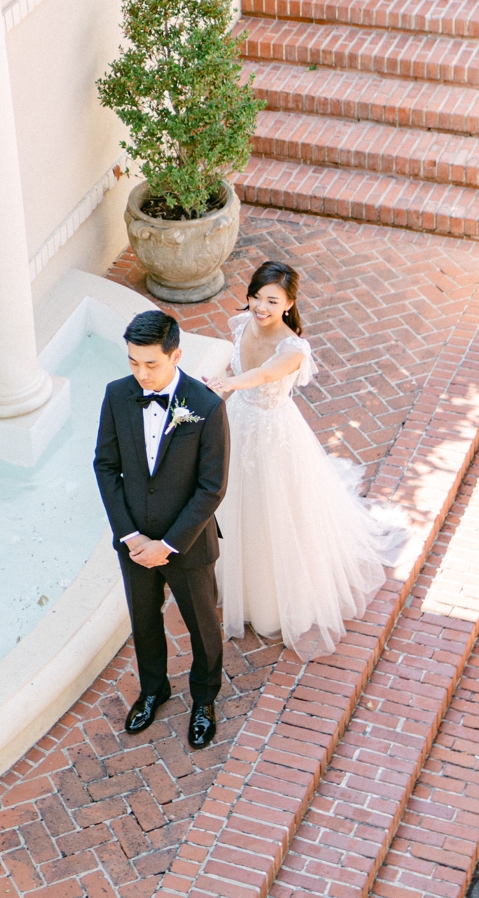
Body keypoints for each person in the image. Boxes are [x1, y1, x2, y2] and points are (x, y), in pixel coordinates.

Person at [209, 261, 405, 660]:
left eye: (271, 301)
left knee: (275, 508)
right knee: (231, 500)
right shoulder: (238, 324)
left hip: (273, 435)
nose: (260, 307)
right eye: (256, 297)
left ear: (288, 304)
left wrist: (229, 383)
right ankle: (232, 581)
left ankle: (269, 597)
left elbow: (264, 375)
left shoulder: (294, 349)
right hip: (238, 422)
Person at [93, 308, 230, 748]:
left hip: (186, 545)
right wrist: (131, 536)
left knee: (202, 627)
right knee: (145, 622)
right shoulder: (117, 395)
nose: (141, 373)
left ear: (176, 355)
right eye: (133, 361)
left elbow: (212, 488)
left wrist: (168, 545)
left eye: (151, 363)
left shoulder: (206, 407)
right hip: (133, 543)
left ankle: (204, 701)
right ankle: (154, 689)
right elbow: (106, 465)